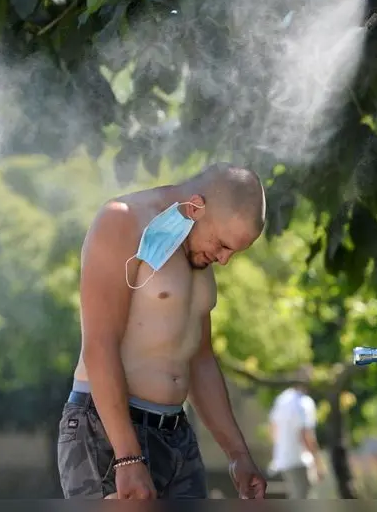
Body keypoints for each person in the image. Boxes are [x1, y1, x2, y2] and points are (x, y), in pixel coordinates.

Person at [57, 163, 269, 500]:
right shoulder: (122, 220)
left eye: (233, 252)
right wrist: (127, 457)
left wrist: (238, 454)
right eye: (222, 244)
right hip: (109, 431)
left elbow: (199, 359)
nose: (224, 259)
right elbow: (99, 344)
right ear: (196, 207)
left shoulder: (199, 254)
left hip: (176, 434)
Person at [267, 369, 325, 499]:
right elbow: (306, 435)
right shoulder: (304, 403)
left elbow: (272, 428)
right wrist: (318, 463)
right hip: (299, 460)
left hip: (282, 460)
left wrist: (280, 448)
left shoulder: (282, 399)